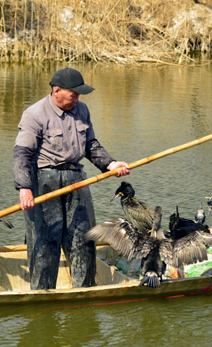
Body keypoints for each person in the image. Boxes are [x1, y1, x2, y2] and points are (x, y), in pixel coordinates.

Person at [13, 68, 129, 290]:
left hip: (77, 180)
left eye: (79, 95)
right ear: (56, 90)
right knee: (45, 242)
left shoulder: (82, 110)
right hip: (44, 181)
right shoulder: (34, 114)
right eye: (73, 94)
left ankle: (84, 291)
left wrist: (111, 164)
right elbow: (22, 154)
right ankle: (43, 294)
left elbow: (91, 145)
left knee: (83, 238)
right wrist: (24, 188)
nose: (77, 99)